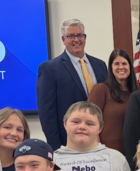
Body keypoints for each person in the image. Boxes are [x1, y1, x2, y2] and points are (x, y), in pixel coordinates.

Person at [37, 19, 107, 150]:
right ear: (63, 40)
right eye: (71, 36)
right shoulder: (49, 69)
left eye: (79, 35)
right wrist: (56, 148)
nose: (76, 40)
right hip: (68, 143)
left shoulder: (100, 65)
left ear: (85, 37)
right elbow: (47, 113)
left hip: (100, 142)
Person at [88, 49, 138, 155]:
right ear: (111, 68)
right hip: (107, 152)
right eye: (116, 64)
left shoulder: (138, 92)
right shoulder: (101, 89)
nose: (121, 67)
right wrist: (98, 150)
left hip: (134, 152)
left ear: (130, 67)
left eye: (124, 63)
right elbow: (90, 121)